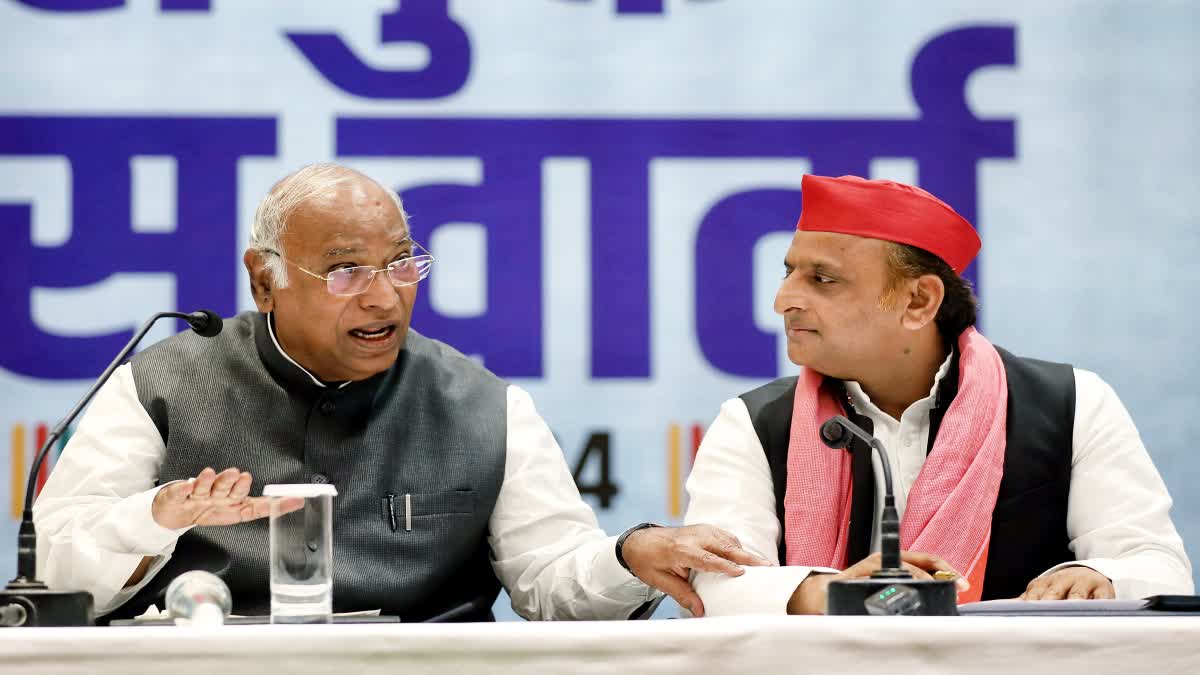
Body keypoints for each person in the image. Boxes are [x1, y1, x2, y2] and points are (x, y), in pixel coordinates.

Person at [34, 163, 763, 622]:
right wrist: (153, 517)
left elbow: (548, 579)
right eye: (347, 270)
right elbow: (55, 575)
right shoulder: (159, 384)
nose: (385, 298)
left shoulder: (479, 403)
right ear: (266, 281)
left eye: (403, 263)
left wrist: (630, 554)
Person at [684, 174, 1193, 615]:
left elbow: (1157, 565)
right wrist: (833, 594)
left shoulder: (1072, 402)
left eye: (822, 279)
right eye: (788, 273)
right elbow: (712, 582)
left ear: (919, 301)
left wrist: (1099, 576)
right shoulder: (753, 421)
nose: (783, 300)